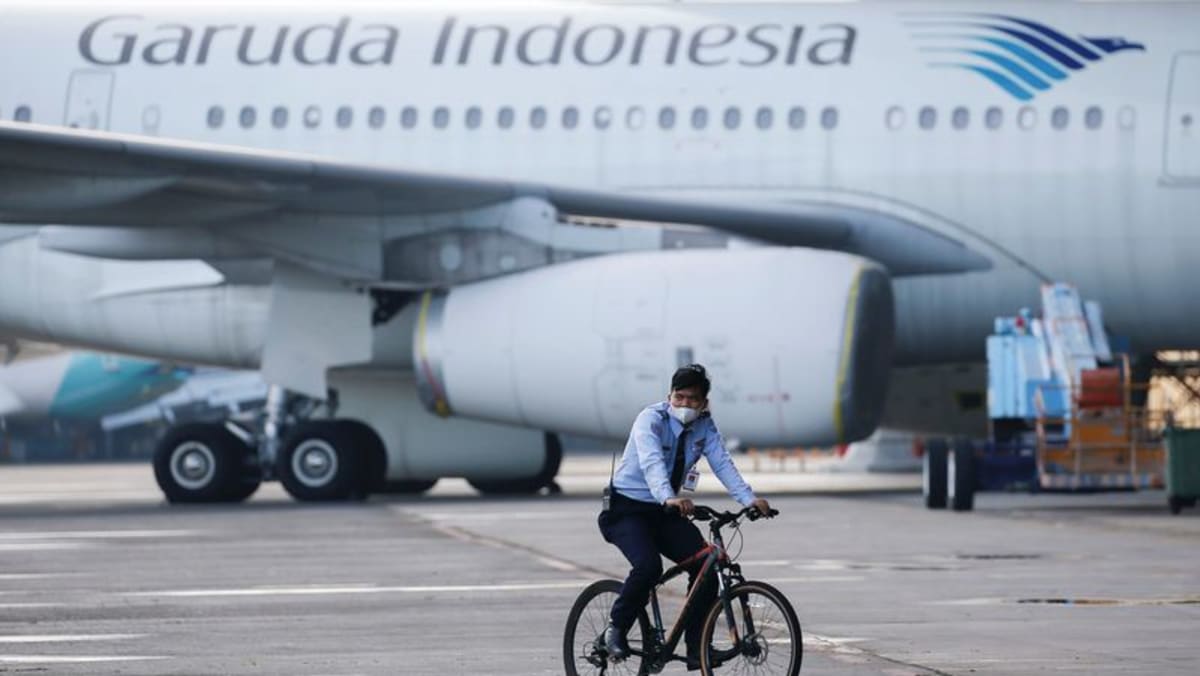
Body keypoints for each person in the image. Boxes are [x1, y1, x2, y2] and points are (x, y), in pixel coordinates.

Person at [598, 363, 771, 670]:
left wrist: (750, 500)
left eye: (692, 399)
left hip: (664, 511)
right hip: (626, 509)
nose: (684, 404)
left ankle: (697, 647)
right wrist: (669, 496)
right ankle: (616, 628)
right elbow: (652, 462)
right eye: (679, 397)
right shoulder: (649, 419)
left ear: (704, 403)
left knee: (709, 562)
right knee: (648, 566)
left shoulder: (704, 425)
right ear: (669, 396)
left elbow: (722, 463)